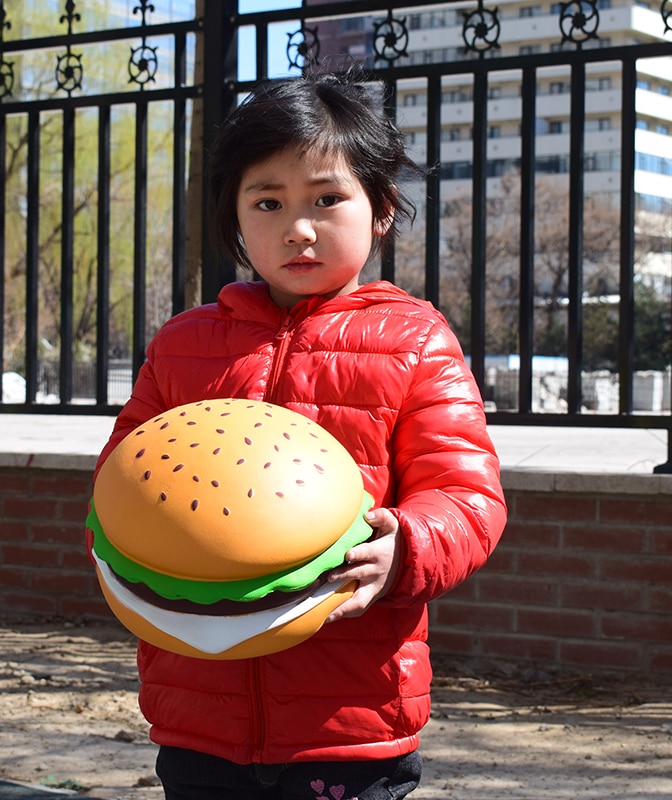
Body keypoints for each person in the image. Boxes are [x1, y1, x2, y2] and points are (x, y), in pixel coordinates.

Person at [90, 72, 507, 800]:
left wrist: (406, 546)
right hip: (197, 708)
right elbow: (126, 472)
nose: (298, 227)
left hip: (349, 716)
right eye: (268, 202)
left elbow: (466, 493)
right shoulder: (186, 343)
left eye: (326, 198)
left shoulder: (415, 341)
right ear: (235, 218)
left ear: (379, 210)